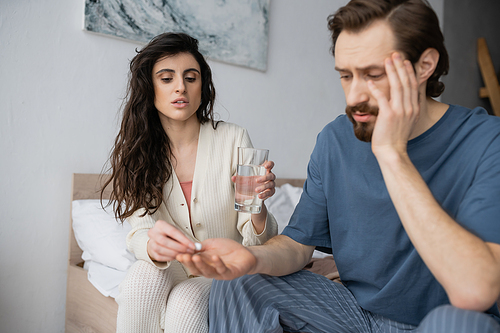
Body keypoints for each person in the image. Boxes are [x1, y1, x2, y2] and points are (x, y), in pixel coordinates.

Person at [177, 1, 500, 332]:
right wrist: (253, 259)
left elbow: (475, 291)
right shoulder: (335, 140)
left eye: (373, 75)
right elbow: (297, 246)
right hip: (355, 314)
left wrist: (392, 155)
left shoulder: (487, 141)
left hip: (440, 321)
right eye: (346, 75)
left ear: (424, 66)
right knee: (242, 281)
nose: (354, 95)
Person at [101, 32, 278, 333]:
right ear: (150, 87)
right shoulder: (137, 153)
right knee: (141, 279)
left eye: (190, 77)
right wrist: (155, 248)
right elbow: (140, 234)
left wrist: (258, 206)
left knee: (185, 301)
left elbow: (256, 240)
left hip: (223, 270)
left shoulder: (234, 138)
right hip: (169, 268)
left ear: (202, 87)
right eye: (167, 78)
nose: (180, 87)